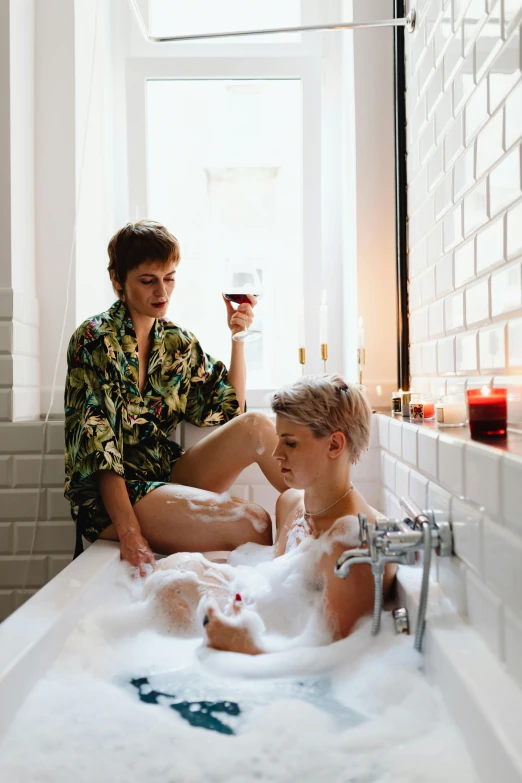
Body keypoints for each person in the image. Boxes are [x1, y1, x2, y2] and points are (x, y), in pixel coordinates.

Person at [64, 221, 287, 574]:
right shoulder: (95, 340)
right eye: (148, 280)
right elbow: (98, 451)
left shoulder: (176, 343)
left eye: (169, 277)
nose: (162, 291)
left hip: (164, 475)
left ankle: (329, 519)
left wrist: (237, 336)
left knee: (257, 427)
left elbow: (231, 409)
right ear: (117, 280)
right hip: (111, 500)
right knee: (254, 523)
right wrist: (130, 533)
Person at [144, 375, 396, 653]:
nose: (276, 454)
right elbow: (269, 582)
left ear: (335, 445)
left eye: (290, 444)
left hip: (287, 677)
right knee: (175, 578)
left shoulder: (352, 550)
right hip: (269, 639)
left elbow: (335, 660)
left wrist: (244, 643)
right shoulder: (294, 506)